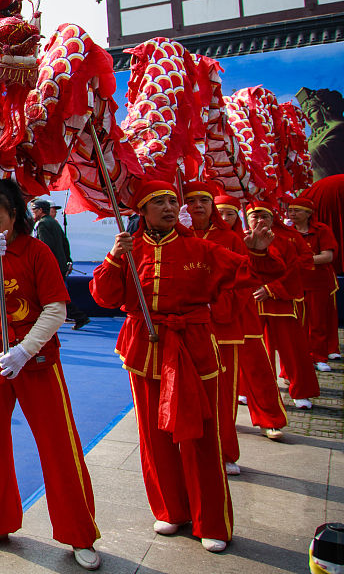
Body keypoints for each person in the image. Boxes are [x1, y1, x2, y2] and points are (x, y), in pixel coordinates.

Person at [91, 181, 282, 553]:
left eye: (171, 201)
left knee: (200, 434)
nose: (167, 207)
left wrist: (257, 253)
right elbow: (106, 297)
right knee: (152, 434)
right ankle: (170, 509)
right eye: (157, 202)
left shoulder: (200, 248)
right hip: (144, 349)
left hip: (193, 347)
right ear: (141, 212)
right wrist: (114, 258)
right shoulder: (129, 250)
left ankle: (210, 521)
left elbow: (251, 273)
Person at [0, 180, 101, 570]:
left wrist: (24, 350)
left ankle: (80, 534)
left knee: (58, 445)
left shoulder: (38, 252)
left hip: (33, 357)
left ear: (14, 215)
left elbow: (55, 310)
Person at [183, 183, 276, 474]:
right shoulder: (174, 236)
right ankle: (186, 453)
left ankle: (224, 452)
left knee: (223, 395)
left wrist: (214, 306)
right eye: (191, 200)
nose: (198, 205)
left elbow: (242, 282)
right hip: (183, 327)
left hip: (222, 328)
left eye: (204, 200)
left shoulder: (229, 238)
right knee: (185, 394)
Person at [215, 196, 290, 442]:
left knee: (257, 367)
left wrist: (256, 251)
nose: (225, 219)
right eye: (221, 213)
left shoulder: (244, 239)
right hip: (210, 314)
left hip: (243, 311)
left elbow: (273, 268)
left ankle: (270, 419)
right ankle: (219, 428)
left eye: (230, 214)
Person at [245, 204, 320, 409]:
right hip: (252, 302)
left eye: (264, 216)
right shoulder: (241, 240)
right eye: (254, 216)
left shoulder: (285, 241)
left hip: (281, 302)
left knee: (293, 349)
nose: (259, 220)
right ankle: (247, 389)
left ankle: (300, 390)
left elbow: (295, 271)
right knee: (252, 351)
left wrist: (270, 289)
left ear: (272, 219)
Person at [286, 197, 338, 370]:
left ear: (309, 214)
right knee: (297, 324)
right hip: (295, 284)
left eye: (297, 211)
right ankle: (301, 358)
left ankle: (319, 357)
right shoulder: (286, 231)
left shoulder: (321, 230)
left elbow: (327, 256)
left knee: (317, 322)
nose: (292, 214)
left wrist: (299, 262)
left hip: (318, 283)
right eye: (290, 211)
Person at [31, 199, 85, 329]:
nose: (32, 213)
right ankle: (78, 316)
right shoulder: (53, 223)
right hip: (59, 264)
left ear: (40, 210)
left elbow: (44, 247)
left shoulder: (43, 224)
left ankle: (79, 316)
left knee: (55, 294)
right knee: (56, 294)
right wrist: (68, 260)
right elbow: (64, 242)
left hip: (51, 266)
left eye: (34, 210)